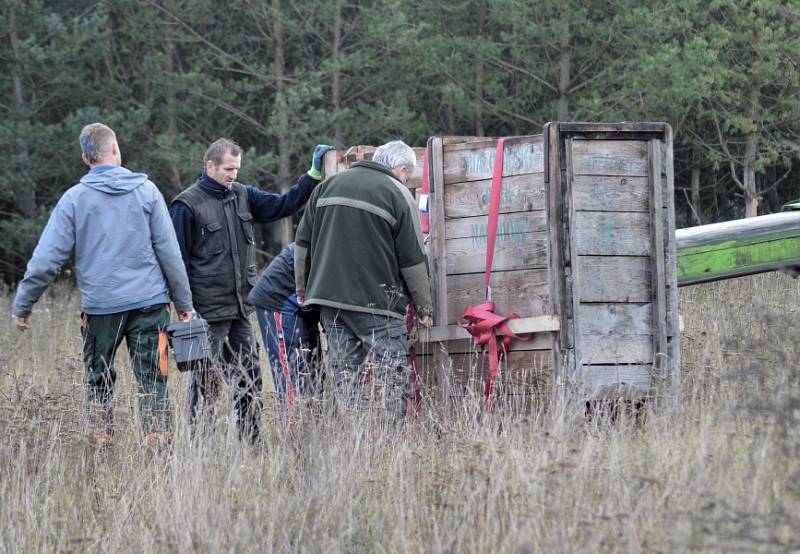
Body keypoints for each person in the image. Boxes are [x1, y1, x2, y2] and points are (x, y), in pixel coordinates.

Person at [11, 123, 195, 446]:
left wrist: (23, 305)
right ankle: (160, 454)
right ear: (116, 149)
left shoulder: (74, 199)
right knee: (153, 381)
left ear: (85, 157)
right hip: (150, 305)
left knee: (98, 384)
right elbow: (170, 253)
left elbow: (46, 260)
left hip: (100, 310)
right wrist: (184, 304)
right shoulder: (148, 192)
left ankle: (100, 453)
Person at [170, 139, 332, 442]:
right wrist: (184, 307)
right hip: (206, 313)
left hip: (240, 310)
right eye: (229, 169)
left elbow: (283, 205)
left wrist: (311, 176)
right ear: (210, 166)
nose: (233, 175)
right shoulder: (186, 205)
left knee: (249, 378)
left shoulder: (243, 195)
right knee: (206, 383)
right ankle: (201, 448)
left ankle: (252, 442)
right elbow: (176, 261)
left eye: (236, 169)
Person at [294, 140, 433, 421]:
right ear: (402, 169)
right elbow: (412, 258)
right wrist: (424, 307)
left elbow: (301, 245)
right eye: (408, 175)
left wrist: (302, 288)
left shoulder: (326, 186)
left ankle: (353, 444)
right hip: (378, 304)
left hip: (330, 302)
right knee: (390, 378)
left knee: (347, 378)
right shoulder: (397, 193)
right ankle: (389, 447)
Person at [247, 243, 322, 421]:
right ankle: (292, 441)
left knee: (314, 374)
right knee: (291, 379)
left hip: (304, 308)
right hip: (279, 302)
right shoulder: (325, 236)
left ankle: (314, 431)